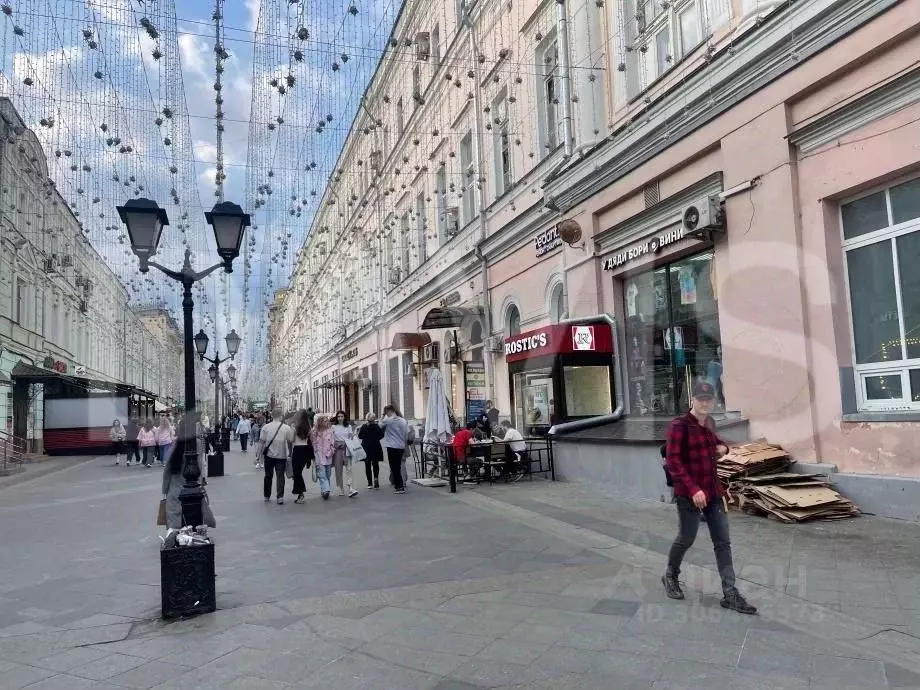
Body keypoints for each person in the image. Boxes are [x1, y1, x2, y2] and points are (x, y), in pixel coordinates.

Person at [662, 380, 757, 615]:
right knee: (686, 538)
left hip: (713, 492)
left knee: (722, 542)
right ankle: (670, 575)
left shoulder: (709, 424)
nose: (704, 403)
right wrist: (694, 490)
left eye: (708, 399)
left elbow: (717, 443)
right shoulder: (679, 426)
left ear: (713, 401)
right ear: (692, 400)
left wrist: (723, 448)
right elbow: (673, 461)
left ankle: (730, 594)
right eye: (700, 399)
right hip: (689, 494)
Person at [259, 408, 293, 505]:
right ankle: (280, 497)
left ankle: (266, 495)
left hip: (269, 456)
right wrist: (290, 452)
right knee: (280, 476)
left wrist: (258, 455)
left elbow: (261, 443)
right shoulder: (286, 428)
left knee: (268, 475)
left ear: (272, 416)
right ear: (281, 416)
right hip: (281, 456)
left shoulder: (266, 427)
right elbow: (290, 440)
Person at [381, 405, 409, 494]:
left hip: (392, 446)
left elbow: (380, 425)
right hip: (401, 446)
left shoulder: (388, 420)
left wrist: (382, 417)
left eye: (386, 413)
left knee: (394, 467)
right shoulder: (403, 421)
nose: (386, 414)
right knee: (398, 466)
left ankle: (399, 487)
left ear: (389, 411)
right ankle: (400, 485)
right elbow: (406, 434)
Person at [331, 410, 358, 498]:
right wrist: (336, 444)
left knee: (349, 468)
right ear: (336, 417)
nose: (340, 418)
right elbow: (331, 439)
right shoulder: (333, 427)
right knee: (338, 470)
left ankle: (350, 488)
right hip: (337, 449)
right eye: (338, 416)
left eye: (342, 416)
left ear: (344, 417)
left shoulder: (348, 426)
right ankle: (340, 488)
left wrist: (346, 443)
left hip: (347, 448)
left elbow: (351, 437)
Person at [291, 410, 314, 503]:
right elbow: (311, 440)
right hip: (305, 451)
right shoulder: (309, 428)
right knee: (298, 472)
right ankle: (299, 493)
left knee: (297, 473)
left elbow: (291, 440)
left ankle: (301, 493)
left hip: (297, 450)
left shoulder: (294, 427)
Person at [311, 415, 335, 500]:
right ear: (320, 422)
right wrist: (314, 455)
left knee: (328, 474)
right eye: (324, 421)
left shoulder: (330, 431)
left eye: (326, 420)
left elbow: (332, 442)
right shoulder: (314, 431)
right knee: (322, 474)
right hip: (318, 455)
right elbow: (312, 443)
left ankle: (324, 489)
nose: (326, 422)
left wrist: (332, 450)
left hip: (328, 455)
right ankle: (326, 490)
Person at [358, 413, 384, 490]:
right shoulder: (377, 426)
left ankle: (369, 483)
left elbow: (360, 436)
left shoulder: (364, 426)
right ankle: (376, 478)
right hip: (376, 446)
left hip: (366, 447)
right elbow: (382, 435)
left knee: (367, 465)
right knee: (375, 463)